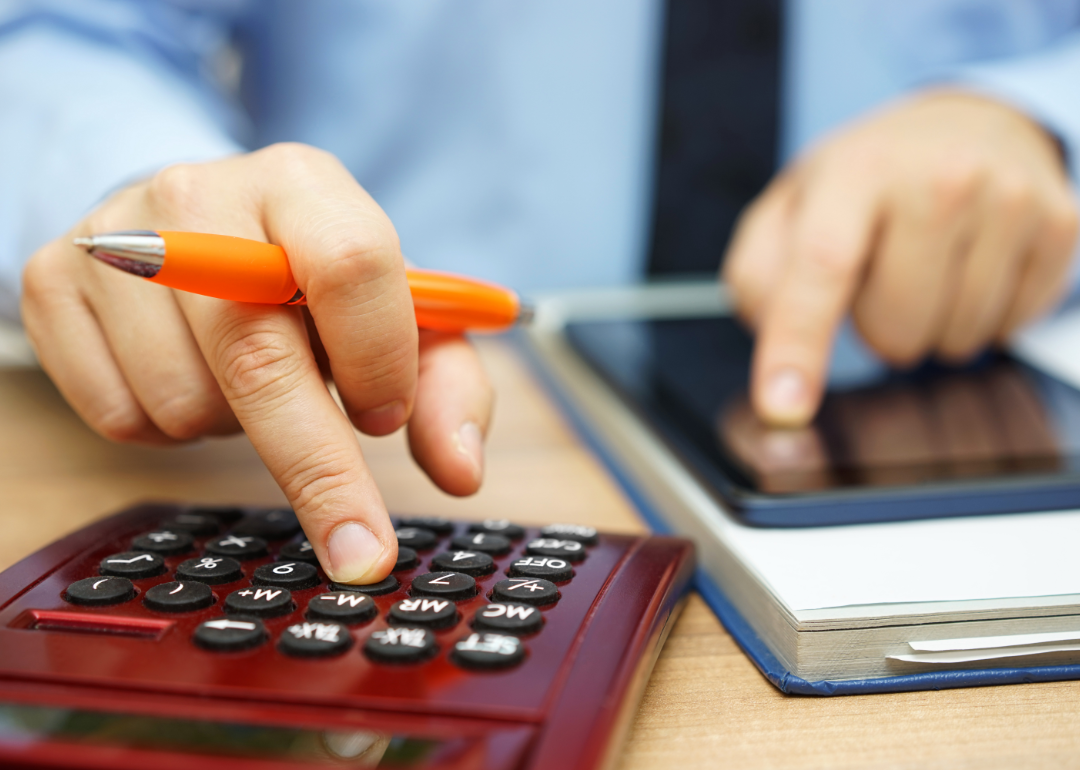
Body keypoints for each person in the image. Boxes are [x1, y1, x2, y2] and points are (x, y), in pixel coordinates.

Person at [1, 1, 1078, 584]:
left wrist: (1037, 115)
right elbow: (58, 33)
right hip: (393, 389)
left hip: (955, 396)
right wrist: (128, 172)